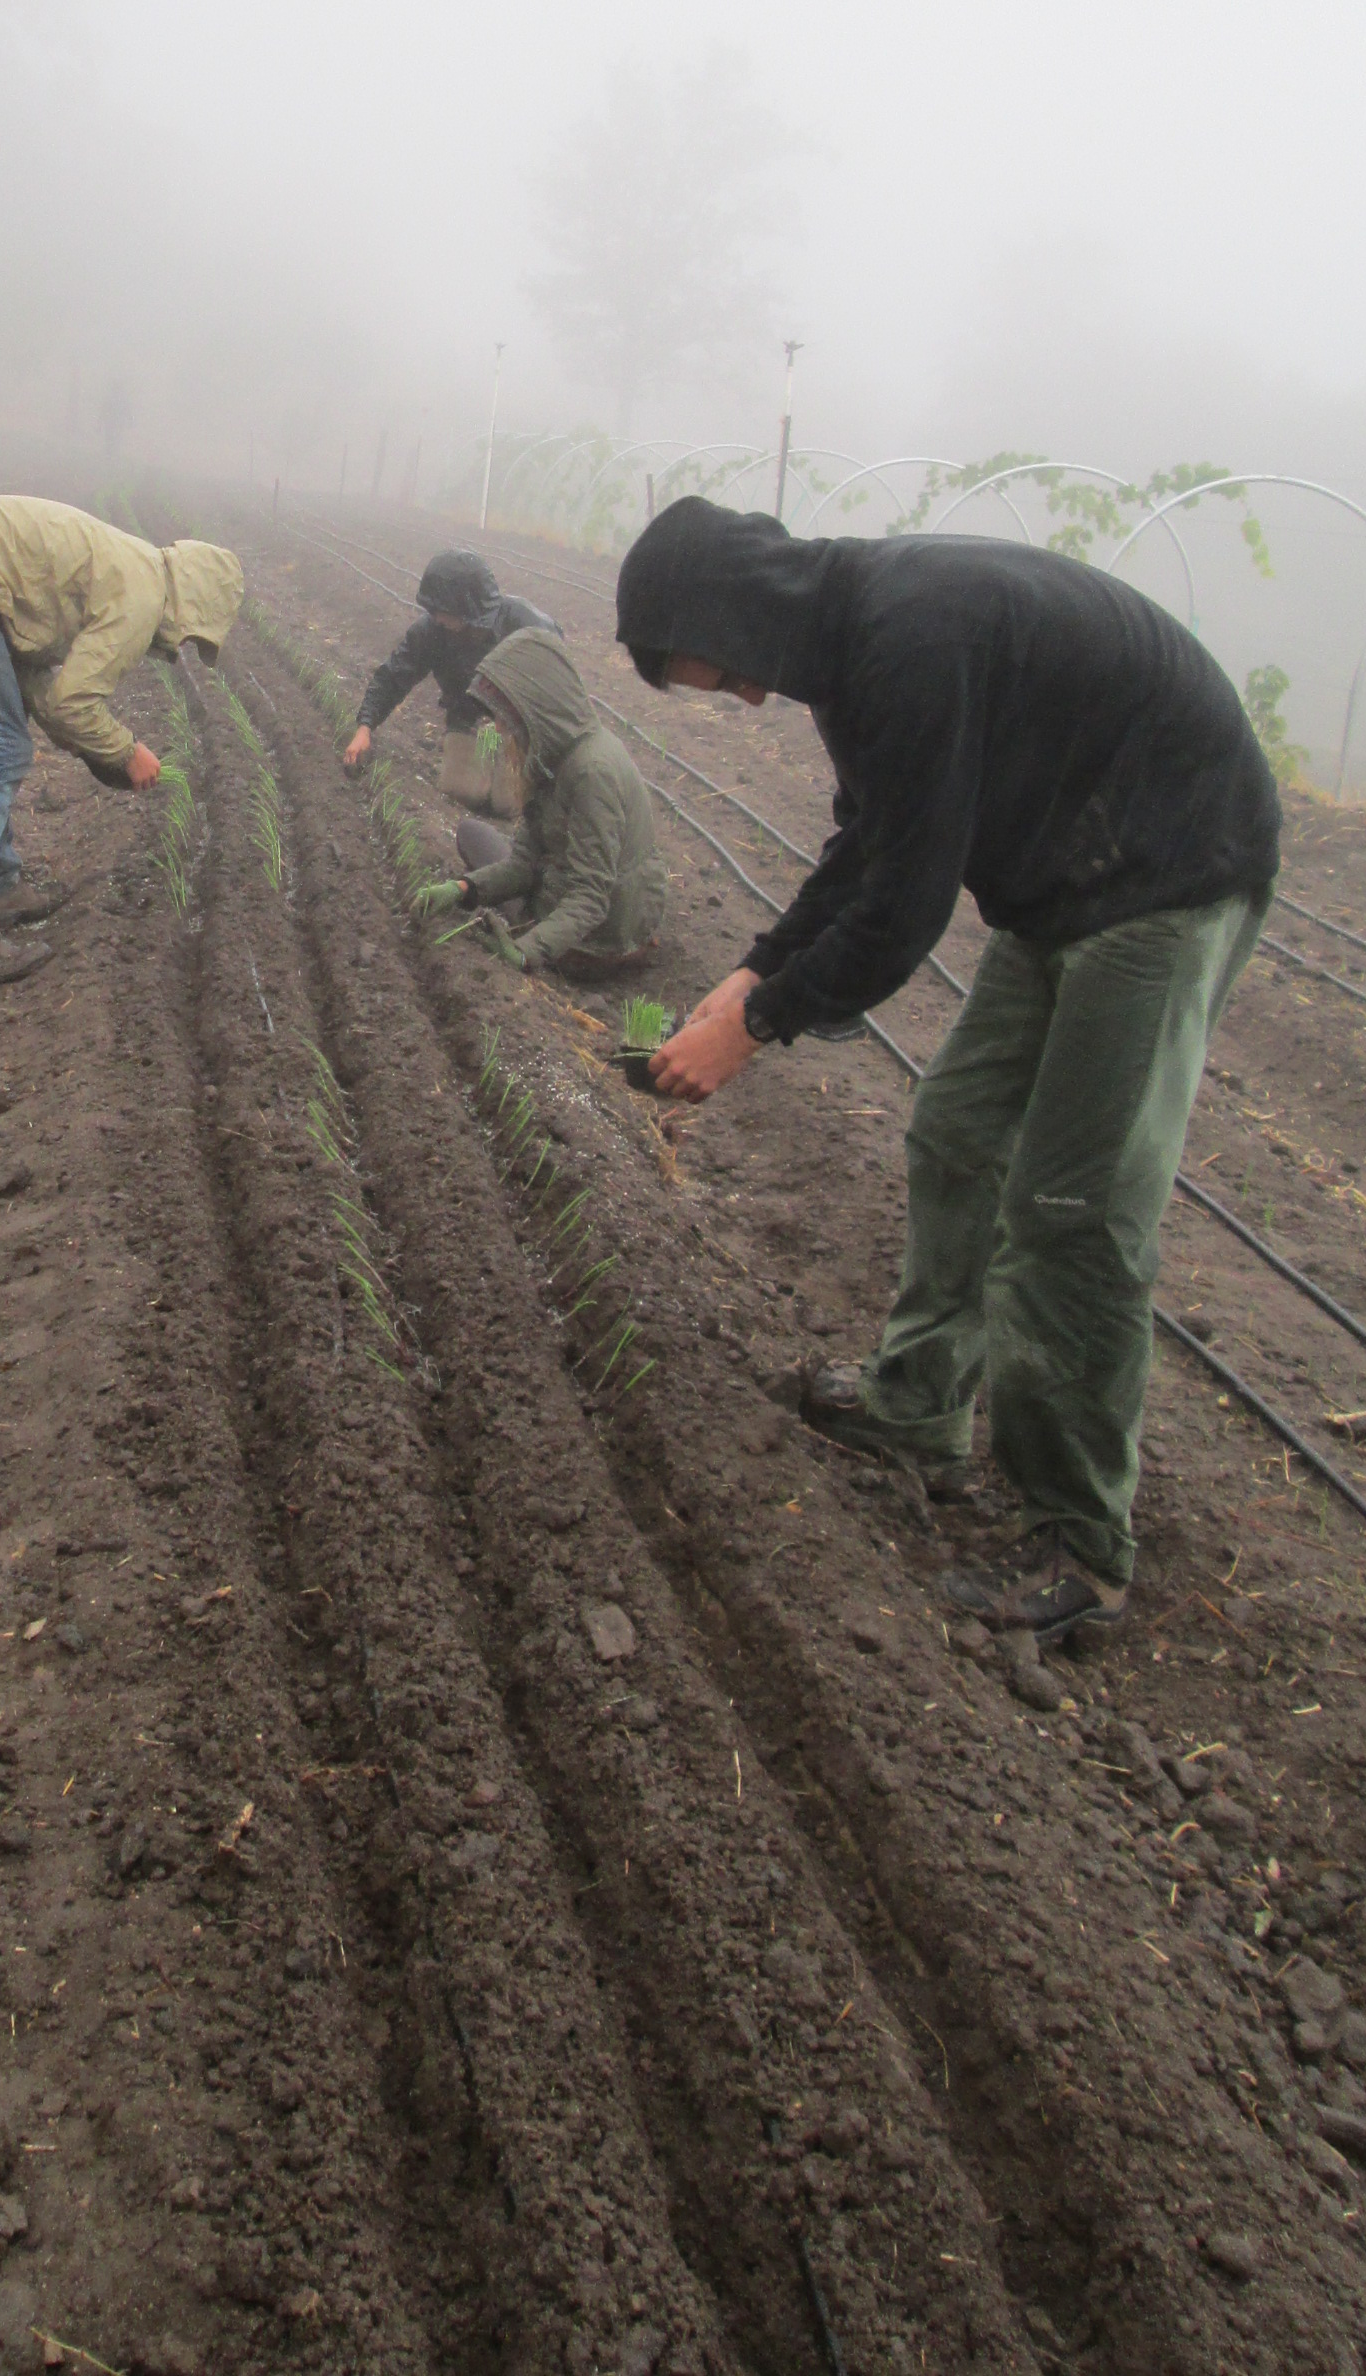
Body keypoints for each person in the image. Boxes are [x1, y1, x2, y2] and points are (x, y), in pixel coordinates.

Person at [614, 496, 1282, 1649]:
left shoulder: (906, 637)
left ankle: (1082, 1548)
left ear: (732, 610)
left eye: (718, 673)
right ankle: (917, 1404)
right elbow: (869, 848)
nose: (745, 698)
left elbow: (908, 908)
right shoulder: (855, 649)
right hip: (1063, 882)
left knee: (1071, 1210)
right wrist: (756, 968)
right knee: (959, 1129)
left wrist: (757, 1025)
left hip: (1165, 874)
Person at [0, 496, 246, 985]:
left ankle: (2, 887)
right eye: (194, 635)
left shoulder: (138, 571)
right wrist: (126, 751)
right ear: (197, 604)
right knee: (1, 749)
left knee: (6, 737)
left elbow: (39, 687)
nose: (183, 645)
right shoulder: (143, 598)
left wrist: (94, 749)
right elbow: (71, 702)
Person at [415, 628, 666, 979]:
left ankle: (534, 928)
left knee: (477, 840)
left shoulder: (592, 772)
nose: (498, 727)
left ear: (533, 708)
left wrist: (524, 952)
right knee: (474, 837)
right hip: (575, 906)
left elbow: (591, 896)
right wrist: (463, 889)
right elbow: (524, 862)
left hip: (595, 944)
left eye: (505, 715)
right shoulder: (557, 755)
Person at [341, 550, 560, 812]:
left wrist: (528, 739)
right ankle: (485, 764)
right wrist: (365, 728)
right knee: (462, 791)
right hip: (466, 719)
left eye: (442, 611)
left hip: (518, 726)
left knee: (509, 804)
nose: (436, 617)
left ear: (467, 609)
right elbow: (394, 676)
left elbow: (556, 694)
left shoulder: (525, 626)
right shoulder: (432, 632)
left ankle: (510, 771)